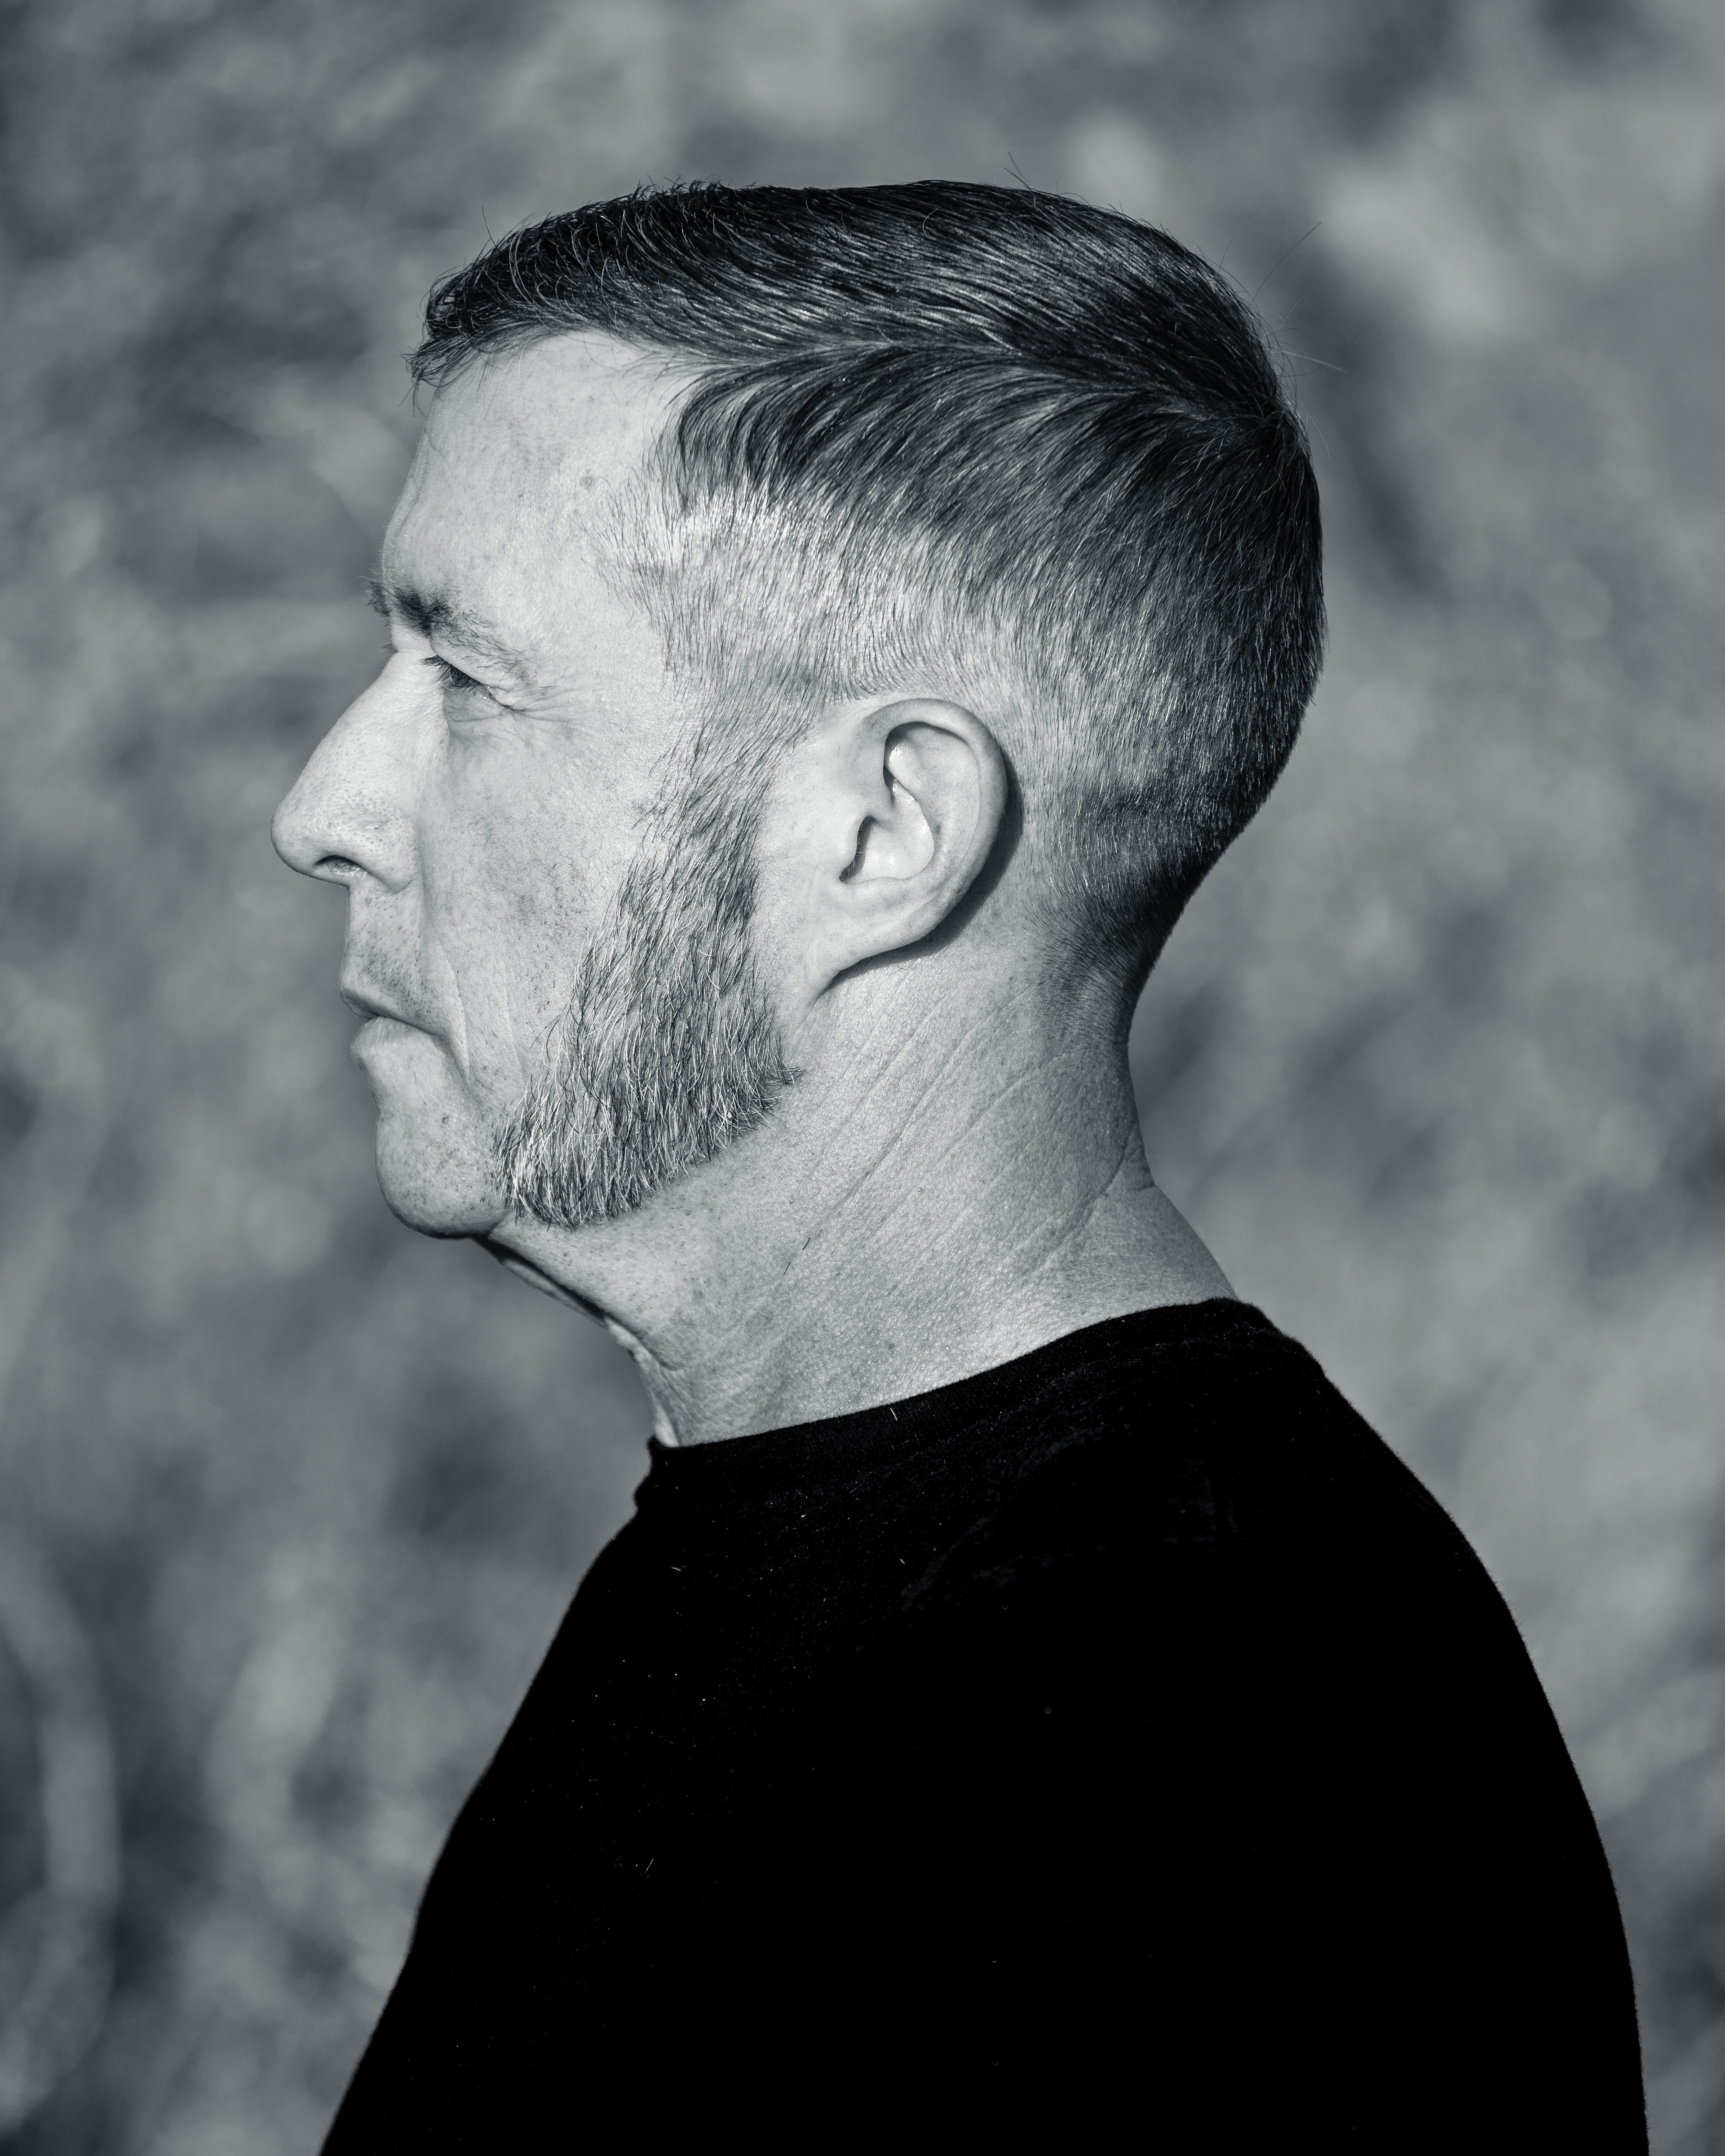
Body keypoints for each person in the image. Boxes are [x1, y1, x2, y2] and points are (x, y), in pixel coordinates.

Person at [272, 181, 1645, 2149]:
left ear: (882, 832)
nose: (325, 806)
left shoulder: (1176, 1759)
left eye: (468, 682)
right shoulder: (847, 1571)